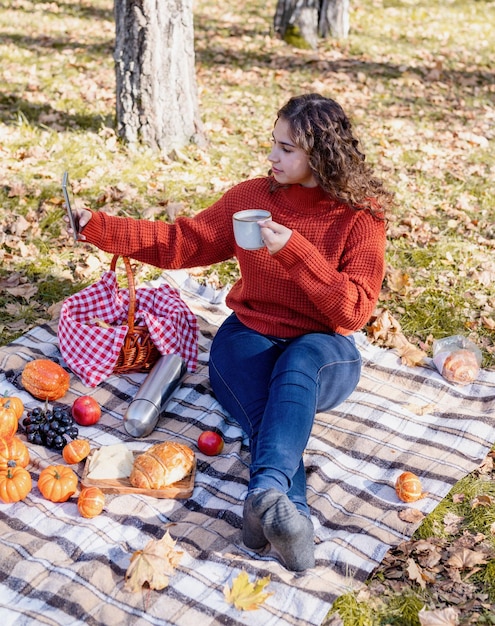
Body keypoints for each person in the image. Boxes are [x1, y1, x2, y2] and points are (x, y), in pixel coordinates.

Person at [67, 93, 393, 572]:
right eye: (273, 143)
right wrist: (99, 226)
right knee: (267, 414)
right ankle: (276, 505)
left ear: (320, 155)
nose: (272, 157)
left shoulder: (360, 218)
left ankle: (274, 502)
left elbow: (352, 314)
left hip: (324, 348)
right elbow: (183, 242)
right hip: (250, 332)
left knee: (297, 367)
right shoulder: (252, 199)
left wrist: (295, 253)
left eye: (286, 149)